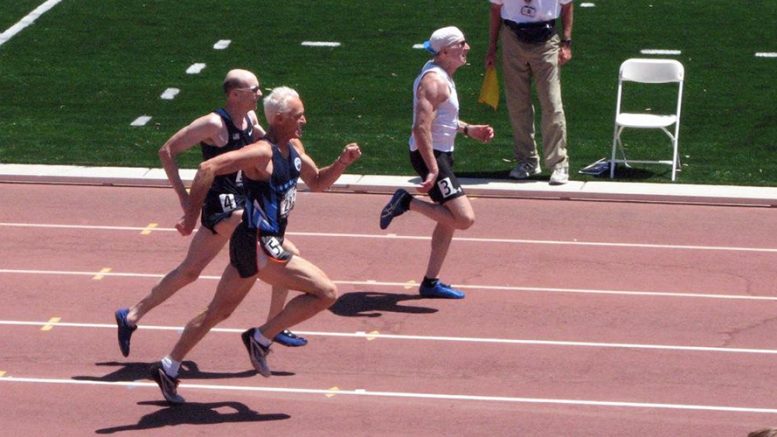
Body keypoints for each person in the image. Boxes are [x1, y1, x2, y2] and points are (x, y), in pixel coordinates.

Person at [150, 86, 361, 404]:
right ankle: (261, 338)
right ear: (279, 118)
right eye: (298, 115)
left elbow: (318, 182)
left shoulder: (294, 146)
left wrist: (342, 162)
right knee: (327, 293)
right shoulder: (261, 153)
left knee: (217, 312)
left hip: (251, 243)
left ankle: (168, 366)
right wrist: (192, 214)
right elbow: (207, 168)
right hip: (262, 243)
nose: (304, 119)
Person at [114, 70, 307, 360]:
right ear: (235, 94)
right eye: (254, 89)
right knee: (281, 250)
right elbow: (167, 150)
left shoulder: (251, 121)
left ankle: (130, 315)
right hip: (221, 206)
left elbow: (266, 147)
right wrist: (185, 201)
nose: (259, 93)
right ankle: (273, 326)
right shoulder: (213, 123)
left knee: (189, 272)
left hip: (241, 199)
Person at [379, 26, 494, 300]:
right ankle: (405, 202)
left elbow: (441, 119)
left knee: (448, 221)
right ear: (444, 52)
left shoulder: (443, 75)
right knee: (464, 218)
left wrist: (468, 130)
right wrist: (432, 168)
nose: (467, 48)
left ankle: (430, 282)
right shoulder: (434, 82)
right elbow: (420, 127)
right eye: (461, 44)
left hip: (440, 153)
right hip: (430, 155)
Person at [486, 0, 574, 185]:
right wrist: (492, 47)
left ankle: (558, 163)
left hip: (547, 39)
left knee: (551, 103)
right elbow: (495, 9)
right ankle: (527, 161)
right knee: (517, 103)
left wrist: (566, 43)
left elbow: (567, 5)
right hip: (513, 38)